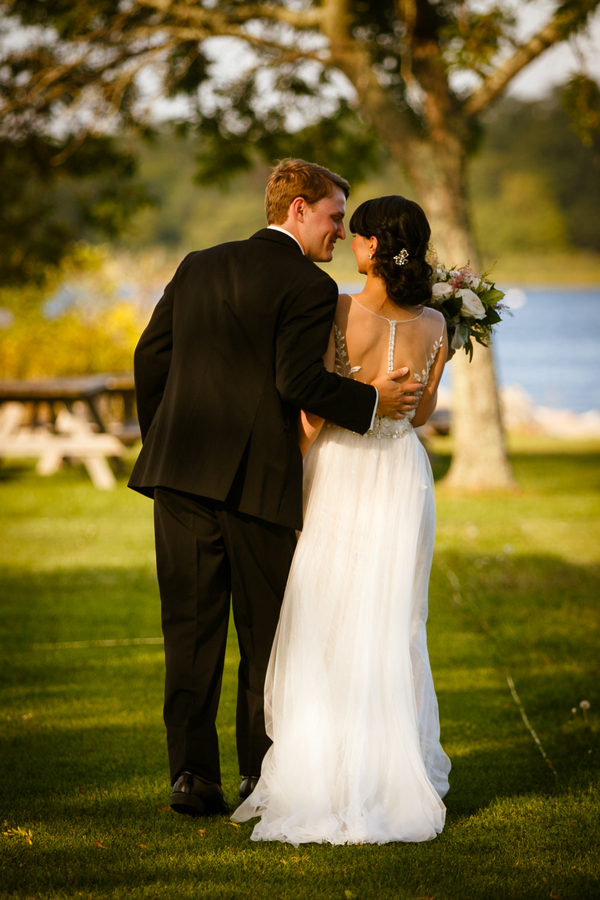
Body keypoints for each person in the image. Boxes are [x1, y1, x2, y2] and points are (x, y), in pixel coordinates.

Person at [128, 162, 425, 816]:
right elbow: (298, 382)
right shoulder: (308, 285)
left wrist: (166, 443)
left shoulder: (197, 263)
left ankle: (190, 777)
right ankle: (257, 776)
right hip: (257, 481)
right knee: (264, 632)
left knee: (190, 629)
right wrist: (373, 401)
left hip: (179, 477)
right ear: (296, 209)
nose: (341, 231)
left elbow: (151, 358)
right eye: (333, 215)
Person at [233, 195, 452, 844]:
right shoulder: (438, 323)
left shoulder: (338, 307)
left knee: (326, 615)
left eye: (355, 235)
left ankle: (321, 778)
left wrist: (288, 464)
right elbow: (417, 416)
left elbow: (318, 406)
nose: (350, 243)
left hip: (342, 466)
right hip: (402, 473)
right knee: (397, 621)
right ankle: (391, 777)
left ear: (370, 246)